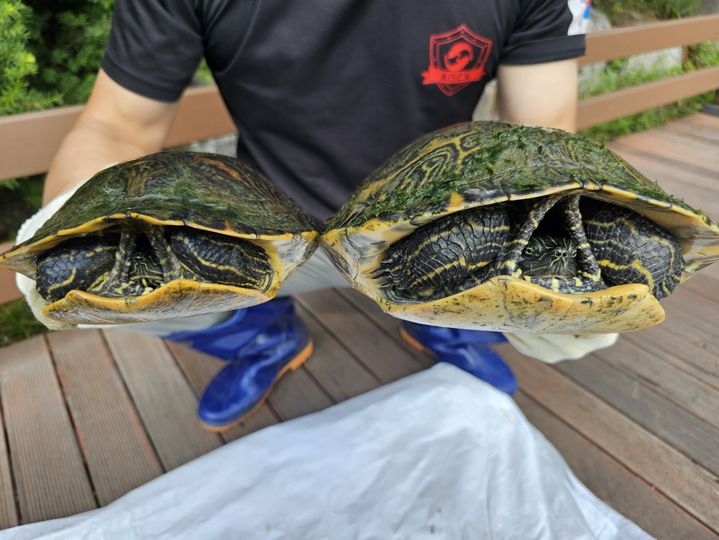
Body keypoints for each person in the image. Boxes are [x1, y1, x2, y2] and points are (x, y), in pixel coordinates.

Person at [30, 0, 614, 430]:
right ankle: (264, 335)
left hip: (434, 230)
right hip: (270, 234)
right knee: (79, 277)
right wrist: (66, 220)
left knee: (587, 296)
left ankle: (442, 316)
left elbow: (541, 140)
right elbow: (116, 125)